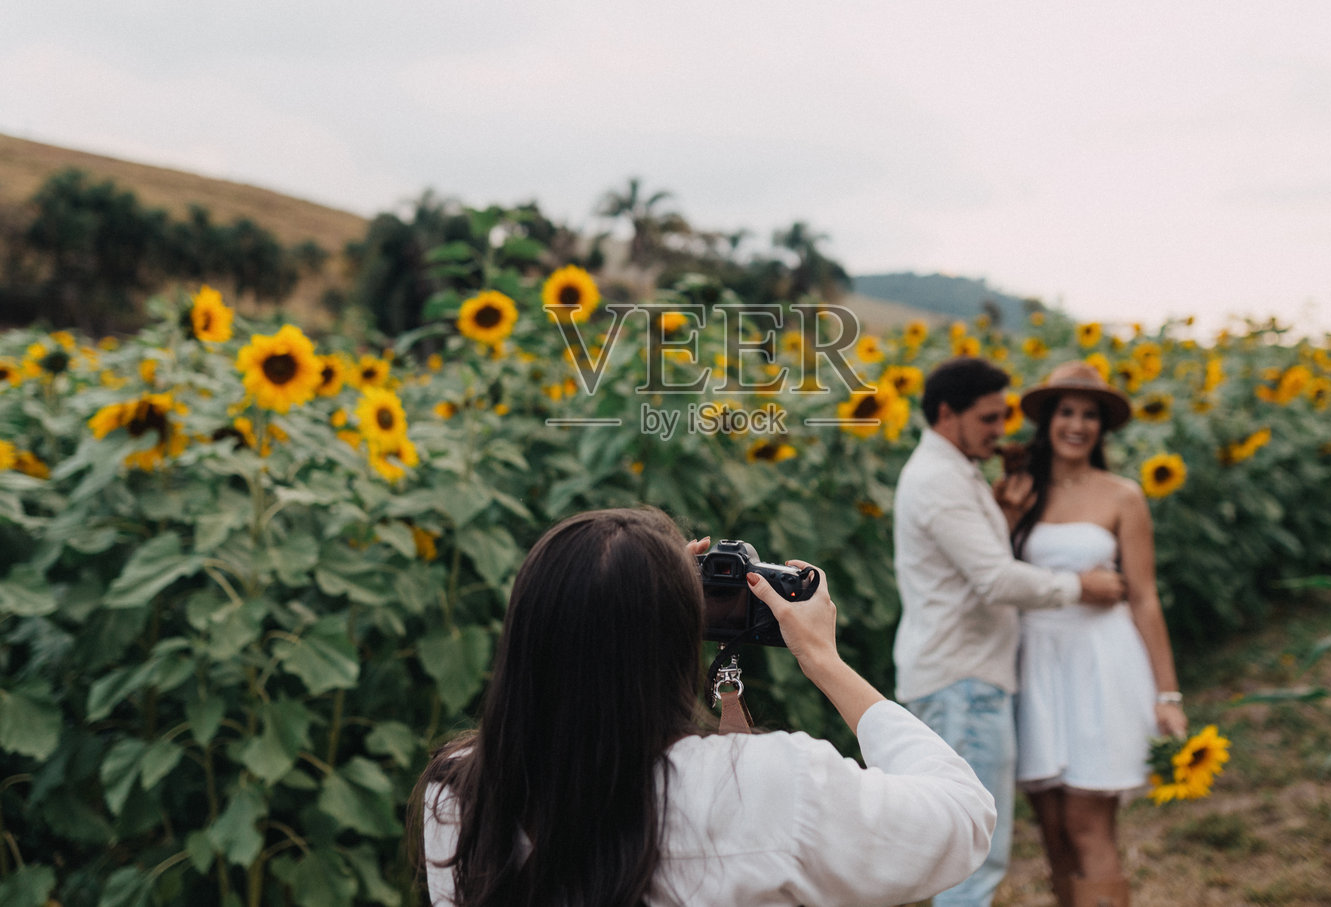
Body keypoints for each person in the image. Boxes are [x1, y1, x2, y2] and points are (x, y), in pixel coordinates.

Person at [409, 507, 998, 907]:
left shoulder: (458, 791)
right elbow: (964, 819)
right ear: (677, 636)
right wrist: (825, 661)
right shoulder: (767, 784)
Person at [891, 358, 1127, 907]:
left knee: (965, 852)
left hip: (960, 677)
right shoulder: (939, 479)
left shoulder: (953, 470)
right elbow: (995, 579)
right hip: (963, 683)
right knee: (974, 858)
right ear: (948, 413)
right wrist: (1080, 587)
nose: (1002, 431)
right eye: (990, 418)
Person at [994, 361, 1188, 907]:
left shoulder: (1123, 496)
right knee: (1052, 827)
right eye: (1066, 412)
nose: (1077, 425)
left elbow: (1145, 598)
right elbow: (998, 576)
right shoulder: (1019, 492)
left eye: (1089, 415)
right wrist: (1007, 516)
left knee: (1086, 821)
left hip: (1102, 661)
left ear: (1102, 428)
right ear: (1048, 421)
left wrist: (1167, 694)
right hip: (1035, 663)